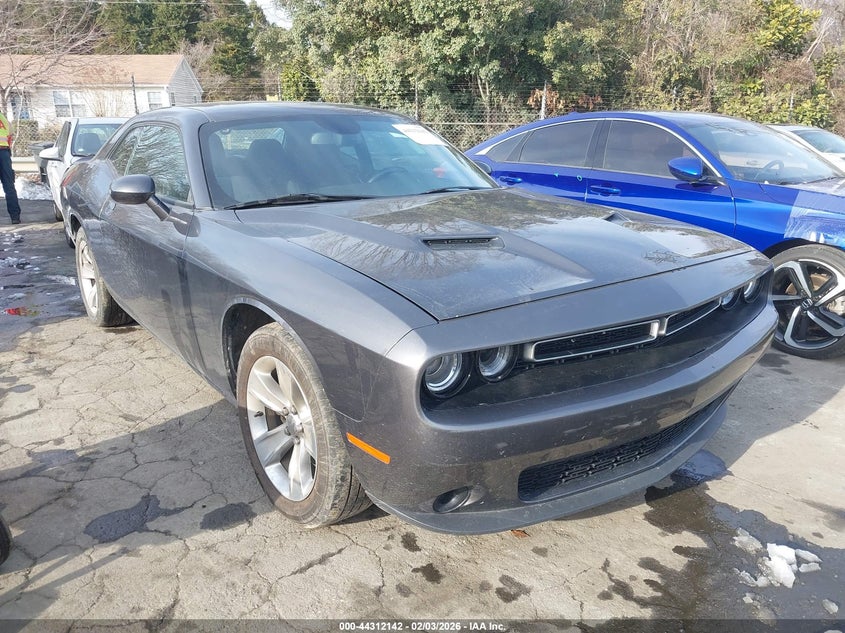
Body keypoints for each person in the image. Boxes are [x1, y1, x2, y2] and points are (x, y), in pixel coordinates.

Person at [0, 109, 22, 225]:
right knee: (9, 185)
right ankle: (15, 216)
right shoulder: (2, 118)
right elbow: (11, 132)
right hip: (4, 153)